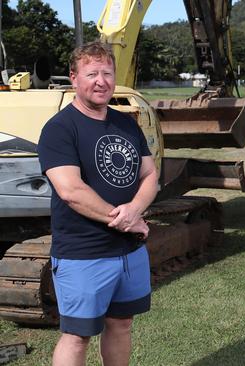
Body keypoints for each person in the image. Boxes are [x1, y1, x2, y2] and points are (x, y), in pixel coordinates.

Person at [38, 41, 158, 366]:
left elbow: (150, 175)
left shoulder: (125, 123)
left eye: (107, 73)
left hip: (129, 252)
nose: (101, 81)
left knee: (122, 323)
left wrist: (134, 211)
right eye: (92, 73)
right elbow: (71, 190)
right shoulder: (59, 129)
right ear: (74, 78)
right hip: (84, 254)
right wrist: (126, 219)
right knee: (77, 336)